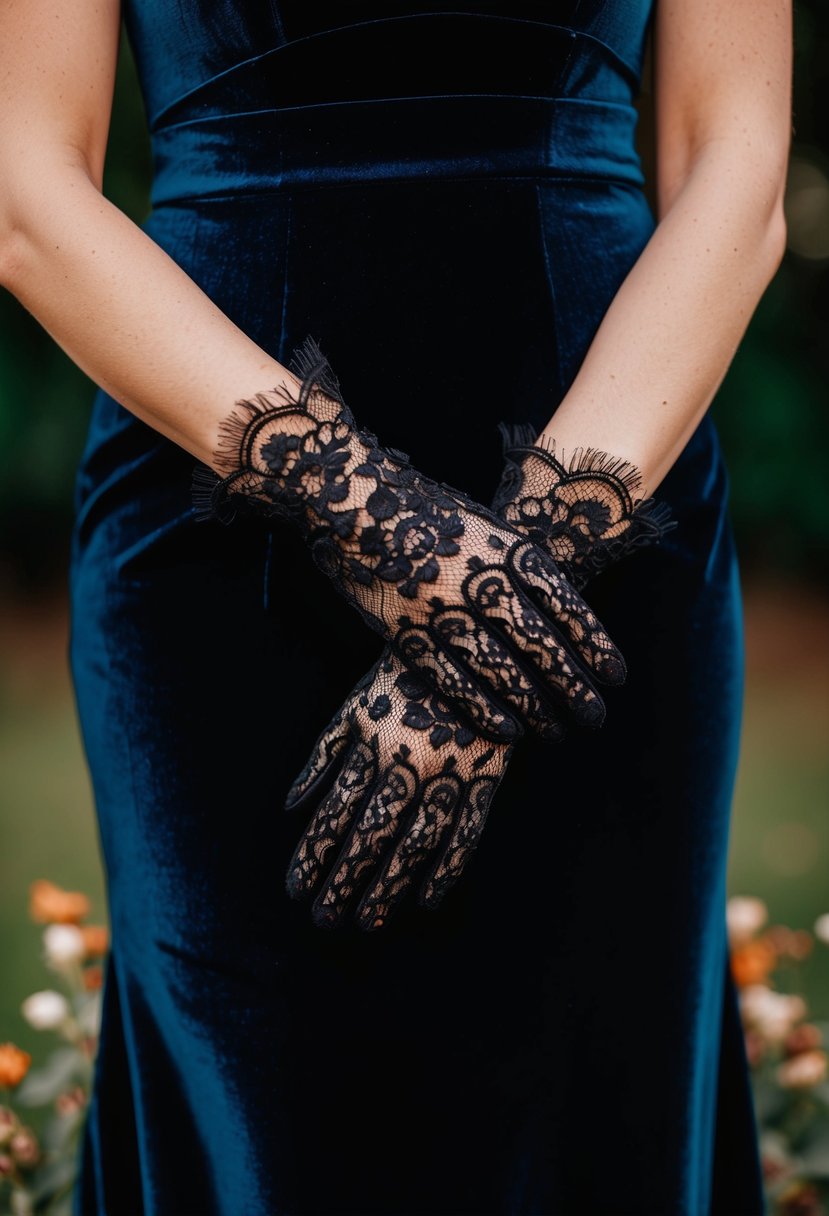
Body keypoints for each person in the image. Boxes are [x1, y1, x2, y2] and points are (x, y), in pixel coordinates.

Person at [0, 1, 791, 1212]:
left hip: (616, 490)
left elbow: (732, 161)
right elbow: (25, 184)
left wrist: (504, 587)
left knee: (594, 1120)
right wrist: (396, 533)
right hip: (219, 517)